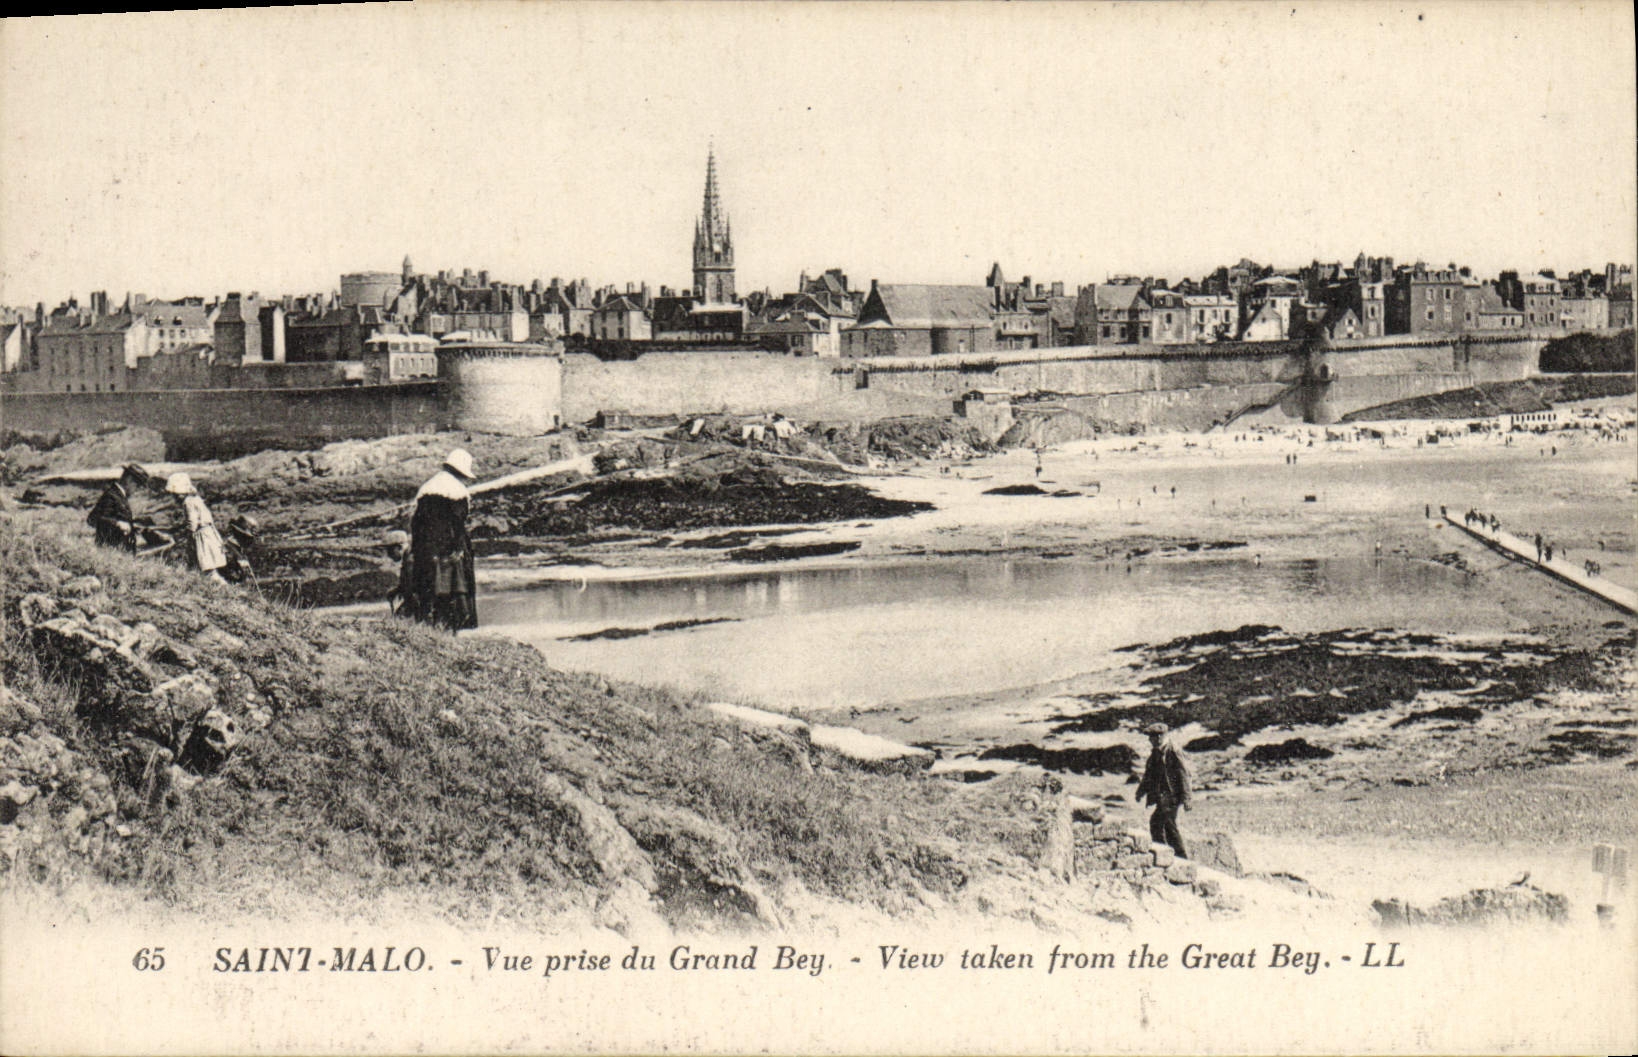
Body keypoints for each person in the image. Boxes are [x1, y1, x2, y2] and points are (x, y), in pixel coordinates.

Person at [402, 448, 479, 632]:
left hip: (425, 550)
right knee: (454, 593)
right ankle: (451, 629)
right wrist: (459, 549)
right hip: (449, 550)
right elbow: (458, 523)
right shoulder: (458, 491)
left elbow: (416, 523)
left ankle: (430, 629)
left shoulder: (426, 488)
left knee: (428, 592)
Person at [1135, 722, 1191, 858]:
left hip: (1172, 795)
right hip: (1162, 796)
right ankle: (1165, 853)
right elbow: (1149, 775)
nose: (1149, 740)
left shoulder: (1173, 751)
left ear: (1159, 737)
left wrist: (1187, 798)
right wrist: (1141, 791)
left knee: (1164, 824)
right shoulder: (1156, 752)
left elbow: (1184, 774)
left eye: (1151, 737)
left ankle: (1179, 857)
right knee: (1160, 824)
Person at [163, 472, 228, 582]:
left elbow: (192, 522)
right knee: (207, 564)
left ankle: (220, 584)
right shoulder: (196, 499)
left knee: (207, 566)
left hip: (202, 536)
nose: (174, 498)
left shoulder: (188, 502)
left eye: (174, 495)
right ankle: (211, 582)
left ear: (180, 493)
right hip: (209, 532)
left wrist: (187, 534)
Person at [87, 463, 150, 551]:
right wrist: (118, 524)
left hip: (119, 550)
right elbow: (93, 518)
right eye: (138, 486)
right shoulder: (111, 495)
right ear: (129, 480)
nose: (137, 490)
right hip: (109, 550)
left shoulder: (120, 496)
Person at [222, 514, 260, 585]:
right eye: (248, 538)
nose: (250, 541)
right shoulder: (228, 548)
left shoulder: (238, 549)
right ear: (240, 534)